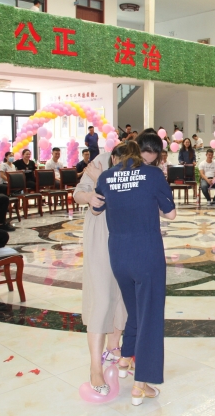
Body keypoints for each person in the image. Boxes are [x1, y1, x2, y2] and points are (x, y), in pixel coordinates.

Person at [91, 139, 176, 406]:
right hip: (146, 253)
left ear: (116, 157)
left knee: (135, 310)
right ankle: (140, 385)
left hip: (119, 254)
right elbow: (171, 214)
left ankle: (125, 357)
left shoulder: (106, 177)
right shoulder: (152, 174)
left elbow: (95, 208)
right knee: (150, 316)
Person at [73, 144, 129, 396]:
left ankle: (114, 347)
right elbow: (78, 193)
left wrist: (102, 182)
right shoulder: (101, 161)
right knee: (103, 297)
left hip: (126, 234)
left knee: (123, 295)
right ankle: (95, 367)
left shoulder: (141, 167)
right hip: (100, 232)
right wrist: (89, 196)